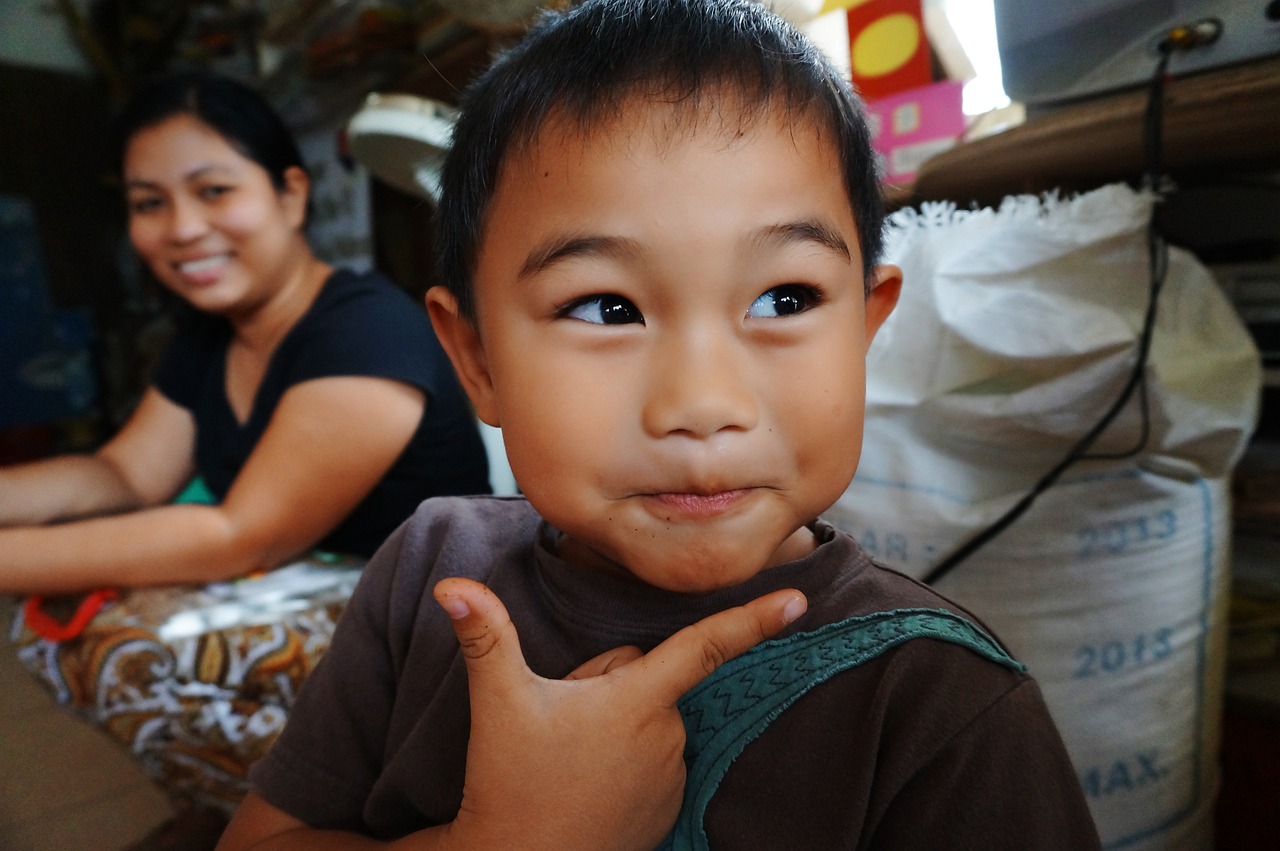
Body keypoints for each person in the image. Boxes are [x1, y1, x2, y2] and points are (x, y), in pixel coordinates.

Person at [219, 1, 1101, 848]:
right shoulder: (428, 576)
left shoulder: (942, 703)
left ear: (864, 330)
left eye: (783, 298)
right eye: (605, 307)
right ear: (477, 360)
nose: (703, 404)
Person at [1, 71, 491, 822]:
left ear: (291, 196)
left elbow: (242, 532)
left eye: (214, 191)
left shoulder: (364, 327)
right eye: (149, 203)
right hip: (301, 584)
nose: (183, 227)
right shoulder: (209, 336)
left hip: (419, 612)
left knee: (133, 646)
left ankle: (329, 821)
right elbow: (124, 472)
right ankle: (241, 806)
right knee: (53, 616)